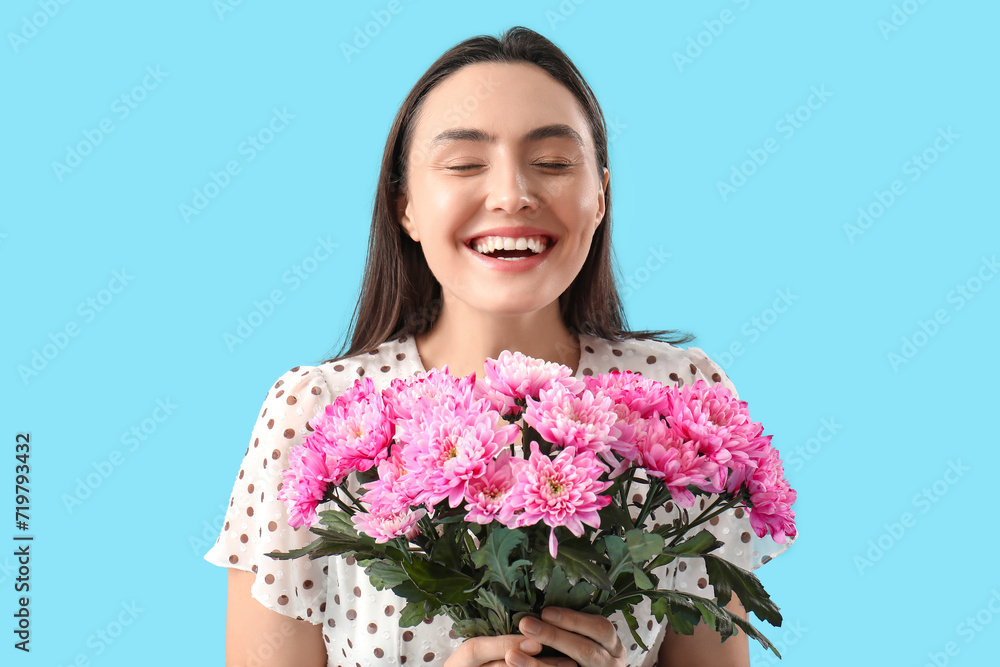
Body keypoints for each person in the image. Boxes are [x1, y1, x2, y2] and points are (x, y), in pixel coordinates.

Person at [205, 26, 795, 667]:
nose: (513, 195)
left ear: (600, 196)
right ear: (405, 206)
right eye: (464, 164)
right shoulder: (314, 411)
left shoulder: (684, 402)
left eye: (553, 163)